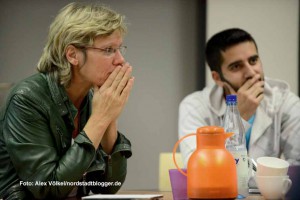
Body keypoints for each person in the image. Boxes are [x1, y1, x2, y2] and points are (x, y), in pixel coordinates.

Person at [0, 2, 134, 199]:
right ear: (72, 55)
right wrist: (101, 117)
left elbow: (107, 187)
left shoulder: (91, 98)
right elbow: (49, 189)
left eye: (120, 48)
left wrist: (109, 117)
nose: (120, 60)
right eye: (108, 50)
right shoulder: (26, 99)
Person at [179, 28, 300, 167]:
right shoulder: (194, 106)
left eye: (253, 60)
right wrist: (239, 117)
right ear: (217, 78)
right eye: (236, 66)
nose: (250, 73)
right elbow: (198, 168)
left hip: (267, 190)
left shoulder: (285, 102)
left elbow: (297, 166)